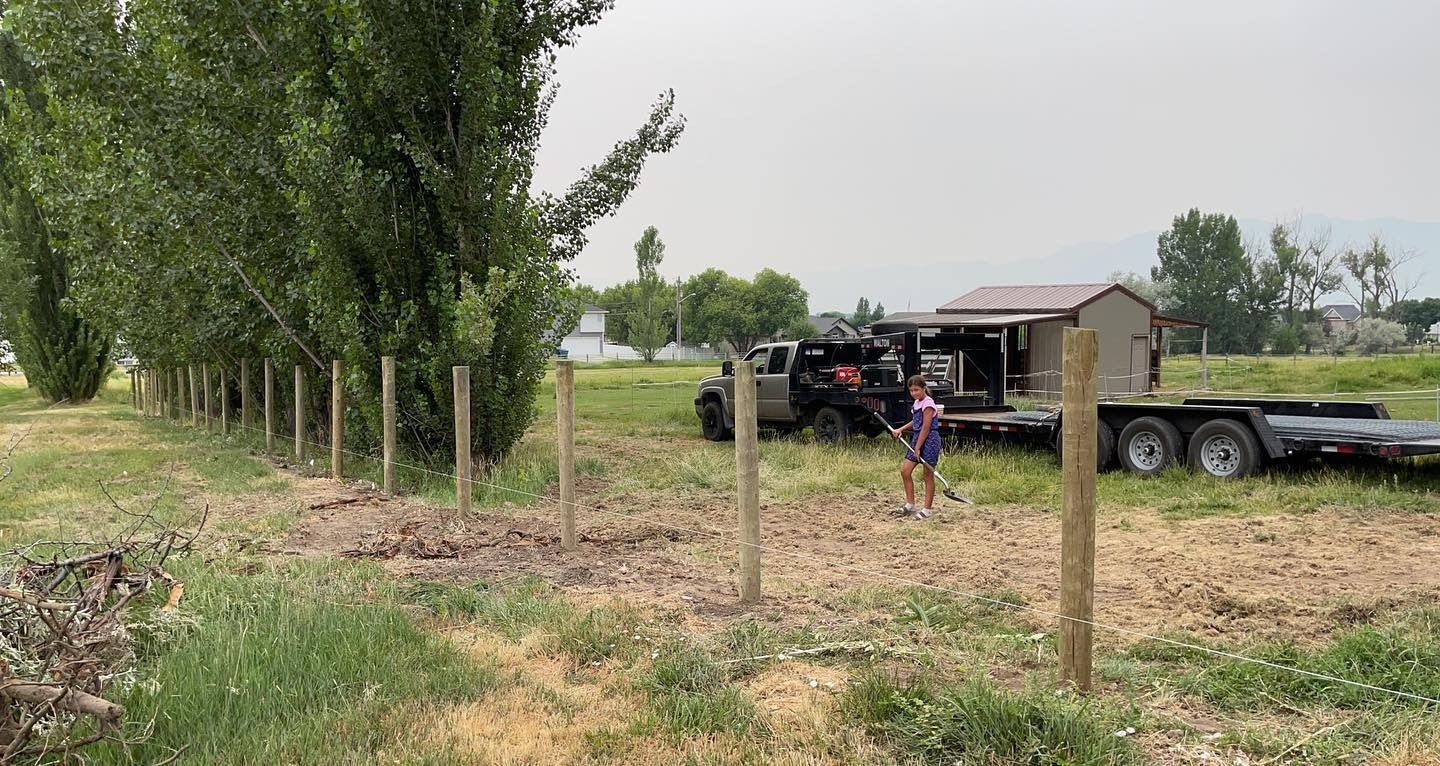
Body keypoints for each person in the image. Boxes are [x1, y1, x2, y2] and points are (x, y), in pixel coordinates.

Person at [894, 374, 941, 520]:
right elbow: (915, 423)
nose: (914, 393)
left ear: (923, 388)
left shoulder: (928, 403)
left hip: (930, 440)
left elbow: (925, 428)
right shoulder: (916, 404)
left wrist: (918, 446)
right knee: (905, 471)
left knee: (927, 475)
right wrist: (900, 429)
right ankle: (910, 504)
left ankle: (926, 510)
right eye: (911, 390)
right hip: (917, 439)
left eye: (916, 390)